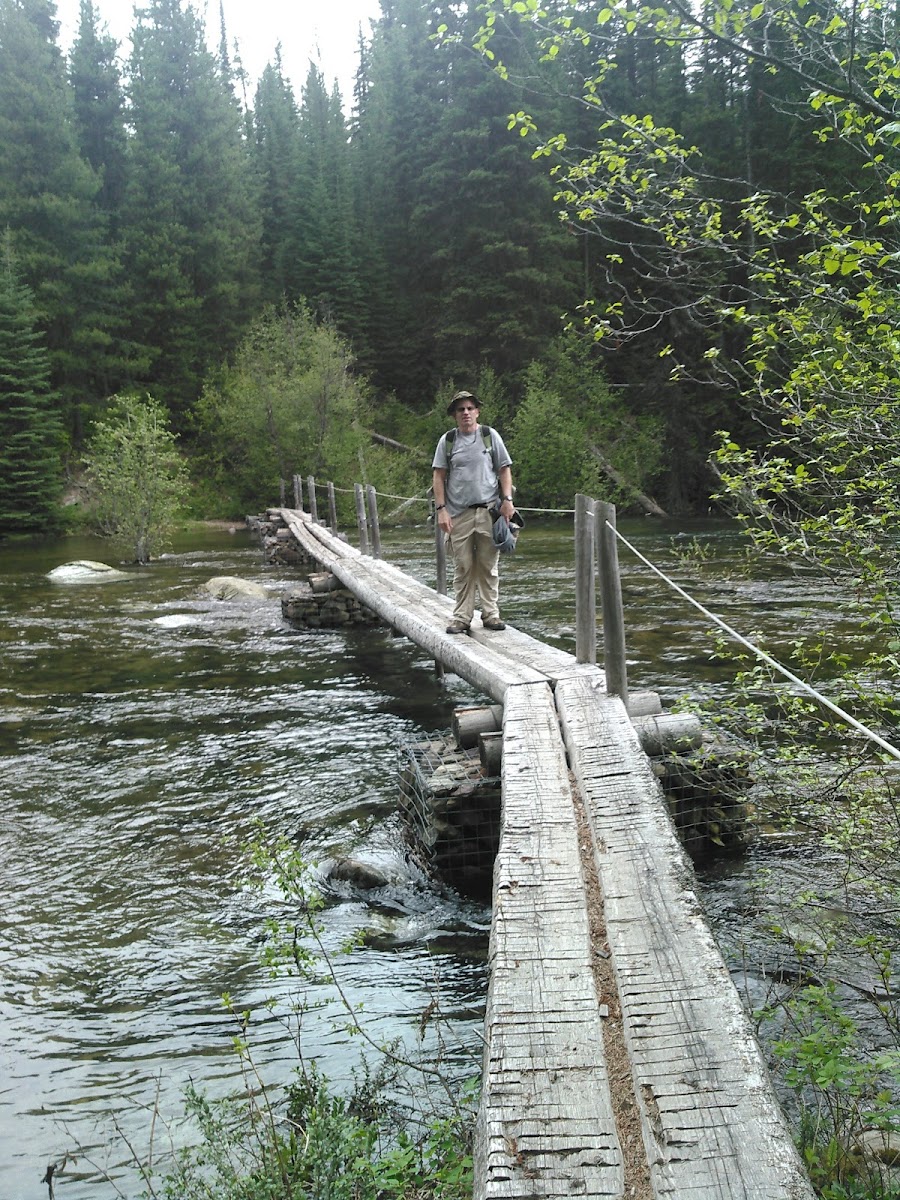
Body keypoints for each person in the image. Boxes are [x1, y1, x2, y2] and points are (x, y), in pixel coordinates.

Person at [432, 390, 517, 633]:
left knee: (489, 566)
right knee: (463, 566)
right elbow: (438, 477)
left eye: (470, 408)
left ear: (477, 411)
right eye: (461, 409)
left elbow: (504, 469)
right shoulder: (447, 441)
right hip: (458, 514)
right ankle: (461, 617)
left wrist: (507, 500)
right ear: (455, 415)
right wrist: (441, 510)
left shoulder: (490, 436)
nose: (466, 413)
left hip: (490, 512)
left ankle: (491, 614)